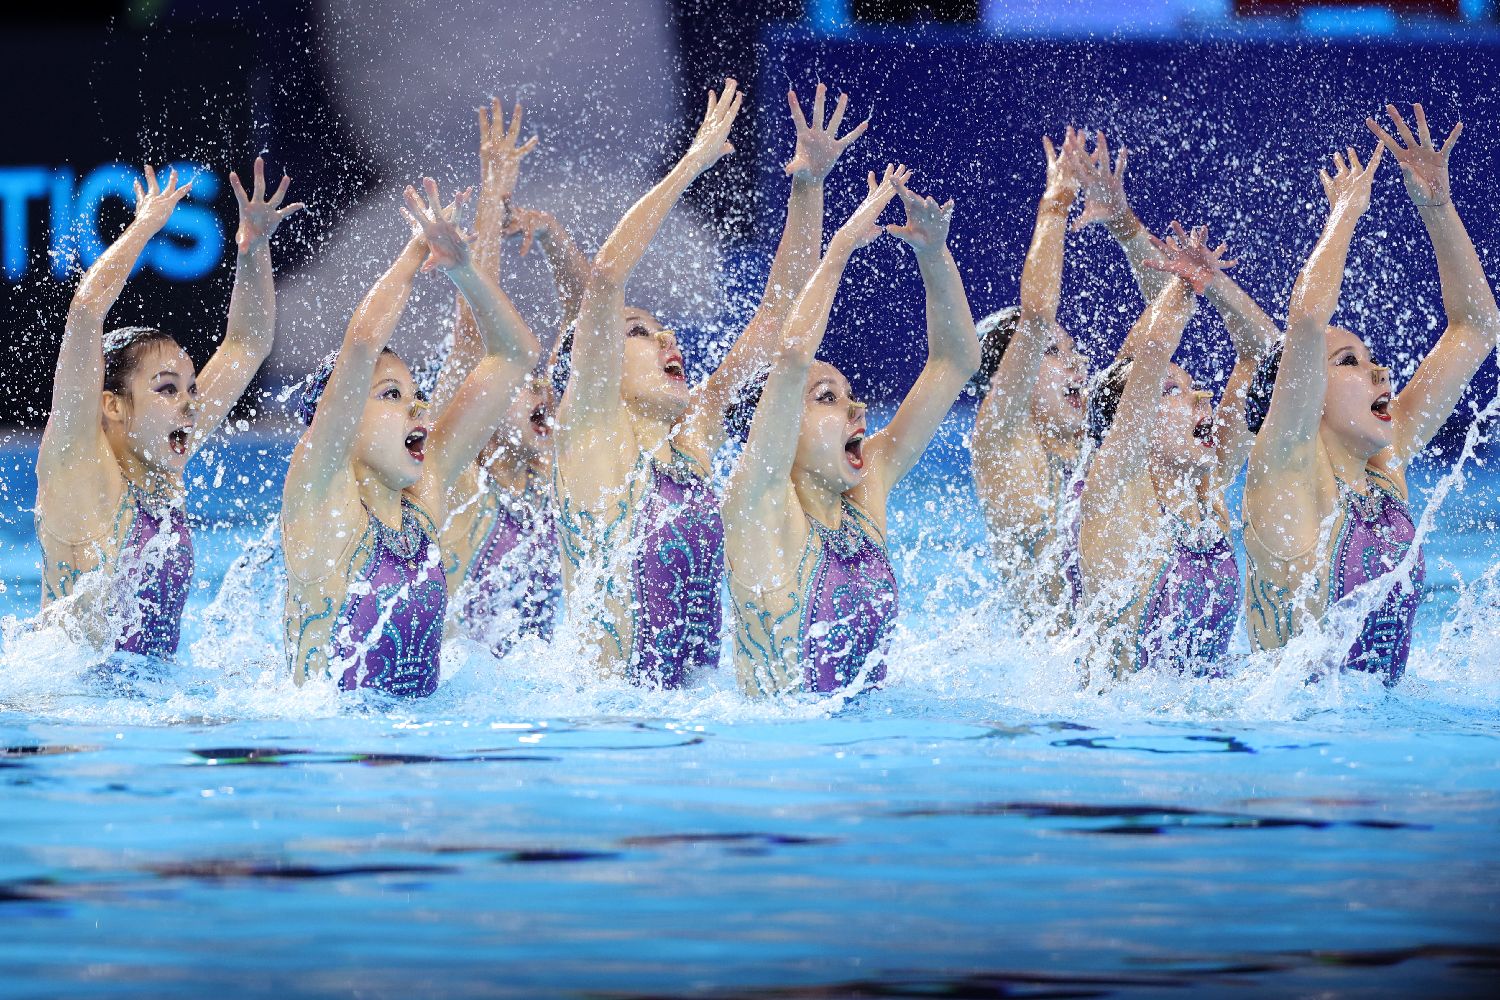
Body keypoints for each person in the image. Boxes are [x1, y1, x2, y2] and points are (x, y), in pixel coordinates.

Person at [552, 79, 866, 687]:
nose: (668, 340)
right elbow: (606, 278)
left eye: (664, 330)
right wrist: (691, 165)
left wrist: (808, 186)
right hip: (606, 719)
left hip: (693, 715)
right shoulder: (588, 430)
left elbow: (777, 318)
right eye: (640, 333)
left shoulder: (693, 441)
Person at [1244, 105, 1498, 684]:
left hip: (1371, 723)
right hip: (1288, 732)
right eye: (1349, 362)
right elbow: (1307, 321)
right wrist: (1345, 213)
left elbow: (1477, 327)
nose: (1380, 370)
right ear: (1305, 393)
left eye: (1370, 357)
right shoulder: (1285, 472)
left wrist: (1437, 208)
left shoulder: (1385, 468)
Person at [722, 166, 980, 697]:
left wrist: (934, 254)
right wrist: (839, 248)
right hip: (775, 742)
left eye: (849, 394)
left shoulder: (865, 498)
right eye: (827, 398)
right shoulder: (758, 504)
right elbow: (793, 354)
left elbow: (955, 361)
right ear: (778, 426)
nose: (856, 408)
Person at [35, 159, 301, 661]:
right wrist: (145, 226)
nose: (189, 404)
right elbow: (86, 313)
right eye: (167, 390)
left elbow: (247, 344)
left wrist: (253, 248)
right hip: (72, 702)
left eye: (191, 389)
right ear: (113, 405)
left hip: (151, 694)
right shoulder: (77, 466)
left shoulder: (158, 464)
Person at [281, 179, 539, 696]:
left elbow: (515, 355)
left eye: (417, 395)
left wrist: (464, 270)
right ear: (342, 418)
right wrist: (415, 250)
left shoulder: (423, 499)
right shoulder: (319, 497)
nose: (418, 408)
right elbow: (362, 345)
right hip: (329, 742)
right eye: (393, 395)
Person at [1078, 224, 1265, 677]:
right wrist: (1184, 283)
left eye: (1192, 386)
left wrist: (1214, 284)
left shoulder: (1208, 488)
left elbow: (1261, 356)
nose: (1201, 397)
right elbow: (1152, 352)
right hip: (1119, 717)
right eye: (1171, 390)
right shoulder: (1114, 492)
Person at [428, 100, 559, 658]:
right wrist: (490, 200)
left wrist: (553, 236)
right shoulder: (453, 476)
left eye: (542, 382)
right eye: (523, 382)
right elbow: (473, 337)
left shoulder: (554, 479)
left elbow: (588, 325)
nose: (544, 390)